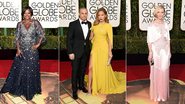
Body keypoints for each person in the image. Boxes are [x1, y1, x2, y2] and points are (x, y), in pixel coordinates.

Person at [0, 6, 45, 102]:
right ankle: (19, 89)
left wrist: (37, 45)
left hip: (33, 52)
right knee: (20, 70)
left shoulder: (35, 23)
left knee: (31, 71)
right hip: (22, 51)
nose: (27, 15)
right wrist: (18, 49)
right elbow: (17, 37)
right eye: (25, 13)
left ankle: (30, 91)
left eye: (29, 13)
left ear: (31, 14)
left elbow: (42, 34)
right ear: (23, 14)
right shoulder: (19, 24)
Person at [88, 7, 125, 95]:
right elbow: (91, 38)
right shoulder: (94, 25)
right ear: (97, 16)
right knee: (91, 67)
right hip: (95, 49)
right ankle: (90, 87)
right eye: (99, 15)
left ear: (105, 16)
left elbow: (110, 40)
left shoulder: (108, 26)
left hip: (104, 49)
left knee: (103, 68)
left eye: (102, 15)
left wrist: (109, 52)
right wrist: (90, 31)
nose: (100, 17)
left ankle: (101, 85)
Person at [147, 5, 171, 102]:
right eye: (158, 12)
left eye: (162, 12)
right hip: (156, 51)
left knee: (164, 71)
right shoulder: (151, 25)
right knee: (156, 72)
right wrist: (150, 53)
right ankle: (157, 94)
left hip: (165, 51)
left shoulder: (166, 24)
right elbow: (149, 41)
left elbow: (168, 39)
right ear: (155, 13)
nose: (160, 14)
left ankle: (163, 94)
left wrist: (169, 51)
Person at [67, 8, 92, 100]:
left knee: (83, 70)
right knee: (75, 71)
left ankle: (81, 85)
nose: (84, 15)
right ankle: (74, 91)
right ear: (79, 14)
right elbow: (69, 39)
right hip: (75, 52)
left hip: (86, 51)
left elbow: (89, 38)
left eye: (86, 13)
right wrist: (70, 52)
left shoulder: (89, 24)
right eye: (82, 13)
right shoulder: (73, 24)